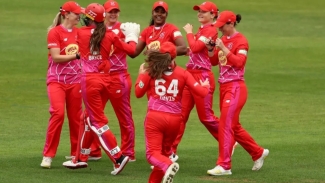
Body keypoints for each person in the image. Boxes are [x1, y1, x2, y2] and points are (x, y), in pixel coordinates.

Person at [62, 3, 140, 175]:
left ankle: (118, 157)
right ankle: (80, 158)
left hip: (89, 81)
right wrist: (132, 36)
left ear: (89, 19)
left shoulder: (80, 33)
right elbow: (131, 49)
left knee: (97, 122)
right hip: (105, 80)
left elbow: (67, 33)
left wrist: (65, 15)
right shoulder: (110, 34)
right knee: (88, 118)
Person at [135, 42, 210, 183]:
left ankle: (169, 165)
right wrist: (205, 86)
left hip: (155, 118)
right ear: (174, 57)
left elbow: (138, 93)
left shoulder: (151, 71)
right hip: (175, 120)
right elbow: (201, 93)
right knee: (163, 154)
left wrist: (140, 75)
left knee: (152, 154)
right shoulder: (183, 73)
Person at [206, 10, 269, 175]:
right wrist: (211, 49)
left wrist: (223, 48)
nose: (220, 29)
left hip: (235, 87)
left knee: (225, 124)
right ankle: (258, 152)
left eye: (222, 26)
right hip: (224, 88)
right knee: (234, 126)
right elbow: (214, 62)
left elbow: (239, 63)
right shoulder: (223, 39)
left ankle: (224, 165)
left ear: (231, 23)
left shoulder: (241, 41)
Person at [87, 0, 136, 162]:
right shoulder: (95, 29)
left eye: (116, 11)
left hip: (118, 76)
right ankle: (94, 150)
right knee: (92, 115)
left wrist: (130, 36)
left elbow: (132, 50)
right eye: (110, 11)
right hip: (99, 76)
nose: (113, 14)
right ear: (104, 13)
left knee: (124, 116)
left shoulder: (123, 28)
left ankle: (128, 152)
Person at [171, 1, 222, 158]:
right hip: (190, 75)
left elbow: (194, 47)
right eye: (199, 11)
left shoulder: (211, 31)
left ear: (213, 15)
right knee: (180, 115)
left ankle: (227, 139)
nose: (199, 13)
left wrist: (188, 33)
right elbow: (196, 50)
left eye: (204, 12)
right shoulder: (202, 31)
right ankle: (171, 151)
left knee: (206, 117)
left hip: (202, 77)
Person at [41, 1, 83, 169]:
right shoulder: (54, 33)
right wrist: (77, 56)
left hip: (75, 81)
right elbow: (56, 57)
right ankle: (48, 155)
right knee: (58, 114)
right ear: (67, 15)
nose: (79, 16)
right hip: (56, 80)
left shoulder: (80, 33)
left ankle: (76, 155)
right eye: (76, 14)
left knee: (75, 117)